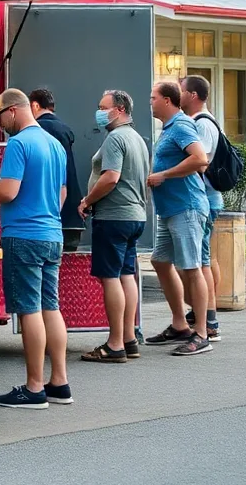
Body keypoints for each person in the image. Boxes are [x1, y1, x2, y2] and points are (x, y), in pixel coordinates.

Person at [0, 88, 70, 409]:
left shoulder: (18, 143)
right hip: (52, 234)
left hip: (24, 236)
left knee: (29, 310)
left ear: (14, 110)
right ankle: (59, 382)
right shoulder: (54, 144)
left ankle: (33, 388)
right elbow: (62, 194)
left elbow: (8, 191)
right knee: (50, 306)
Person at [78, 90, 149, 364]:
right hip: (135, 215)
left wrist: (87, 200)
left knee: (111, 278)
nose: (98, 111)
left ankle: (115, 343)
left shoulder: (116, 138)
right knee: (126, 275)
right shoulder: (137, 139)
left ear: (118, 109)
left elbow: (110, 178)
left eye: (102, 107)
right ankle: (129, 338)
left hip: (114, 216)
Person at [143, 81, 212, 356]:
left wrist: (164, 175)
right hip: (170, 209)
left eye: (154, 97)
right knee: (160, 261)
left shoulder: (181, 125)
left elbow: (200, 159)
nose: (150, 101)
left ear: (168, 101)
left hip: (187, 207)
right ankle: (179, 324)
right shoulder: (169, 128)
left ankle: (203, 332)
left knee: (192, 268)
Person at [181, 75, 223, 343]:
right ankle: (203, 316)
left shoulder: (203, 124)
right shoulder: (204, 122)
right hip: (208, 199)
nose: (179, 93)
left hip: (205, 199)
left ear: (193, 95)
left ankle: (209, 320)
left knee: (203, 261)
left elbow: (201, 162)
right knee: (204, 259)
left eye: (182, 90)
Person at [30, 88, 86, 251]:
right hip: (72, 215)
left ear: (34, 106)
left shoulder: (36, 130)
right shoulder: (64, 128)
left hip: (47, 217)